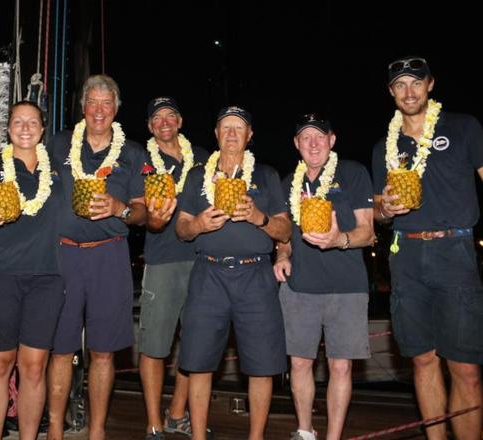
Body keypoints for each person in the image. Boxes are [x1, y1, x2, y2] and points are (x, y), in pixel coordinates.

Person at [372, 56, 483, 439]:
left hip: (455, 251)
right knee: (422, 359)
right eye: (400, 84)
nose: (409, 91)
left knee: (465, 366)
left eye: (415, 82)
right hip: (407, 258)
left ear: (430, 85)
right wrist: (383, 208)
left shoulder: (464, 127)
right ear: (391, 92)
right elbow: (378, 212)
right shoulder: (384, 147)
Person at [175, 106, 291, 440]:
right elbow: (181, 228)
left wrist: (259, 218)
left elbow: (284, 231)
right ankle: (197, 436)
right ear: (215, 133)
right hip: (208, 275)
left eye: (238, 127)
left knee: (262, 365)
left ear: (249, 135)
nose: (230, 133)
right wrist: (197, 224)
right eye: (225, 127)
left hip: (255, 277)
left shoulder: (266, 175)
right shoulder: (197, 176)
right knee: (197, 362)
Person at [46, 74, 147, 440]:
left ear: (116, 110)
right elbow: (24, 171)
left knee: (103, 352)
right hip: (62, 256)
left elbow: (143, 213)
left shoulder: (134, 153)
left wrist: (121, 208)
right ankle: (55, 429)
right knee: (59, 349)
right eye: (93, 102)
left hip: (109, 257)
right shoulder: (57, 144)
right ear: (83, 107)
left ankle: (97, 431)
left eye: (107, 103)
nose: (99, 110)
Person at [273, 114, 374, 440]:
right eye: (306, 137)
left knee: (340, 366)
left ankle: (333, 436)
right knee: (300, 364)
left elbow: (367, 232)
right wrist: (283, 255)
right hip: (300, 287)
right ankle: (304, 431)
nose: (313, 143)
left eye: (320, 136)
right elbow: (283, 234)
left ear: (332, 140)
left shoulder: (354, 173)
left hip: (347, 288)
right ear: (296, 144)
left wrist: (338, 240)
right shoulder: (289, 182)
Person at [0, 101, 65, 440]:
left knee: (34, 368)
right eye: (17, 122)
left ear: (42, 129)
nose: (25, 128)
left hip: (47, 278)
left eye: (32, 122)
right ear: (8, 129)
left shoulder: (59, 172)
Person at [138, 96, 209, 440]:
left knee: (195, 344)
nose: (164, 122)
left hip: (203, 261)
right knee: (154, 346)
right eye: (157, 118)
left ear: (180, 121)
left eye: (170, 116)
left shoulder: (205, 159)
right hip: (162, 260)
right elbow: (138, 212)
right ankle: (153, 424)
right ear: (151, 127)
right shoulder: (141, 160)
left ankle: (177, 413)